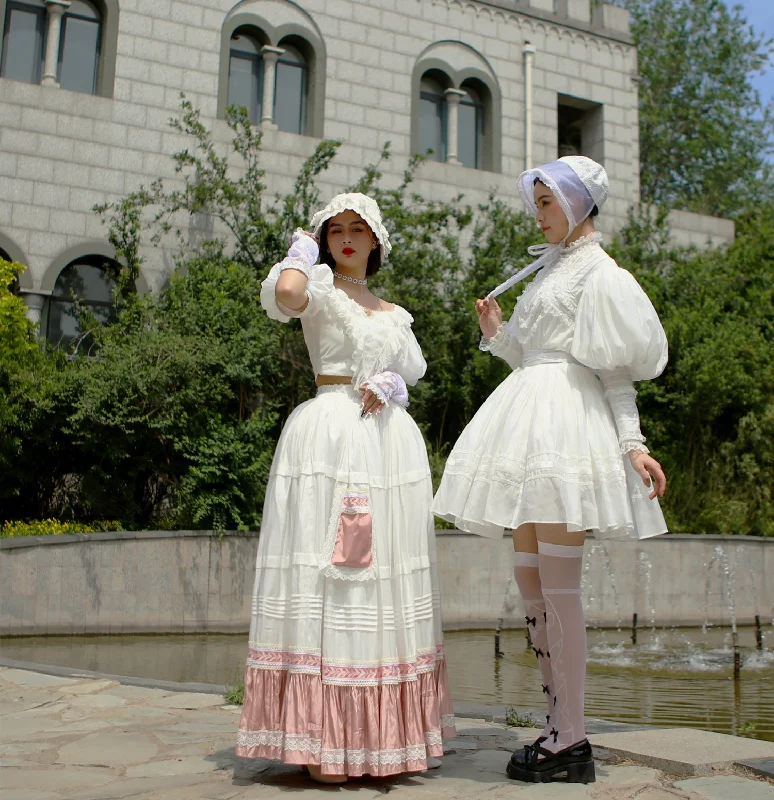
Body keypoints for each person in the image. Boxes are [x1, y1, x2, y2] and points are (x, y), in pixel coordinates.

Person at [432, 157, 668, 785]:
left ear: (577, 203)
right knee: (532, 585)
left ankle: (574, 736)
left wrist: (633, 444)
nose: (536, 214)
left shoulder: (600, 273)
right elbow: (533, 359)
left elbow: (613, 370)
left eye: (545, 203)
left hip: (566, 430)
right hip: (530, 419)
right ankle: (556, 724)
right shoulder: (551, 269)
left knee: (560, 591)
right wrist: (497, 333)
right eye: (535, 203)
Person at [236, 193, 455, 783]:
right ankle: (322, 741)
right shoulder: (320, 290)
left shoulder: (396, 315)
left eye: (359, 230)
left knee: (380, 581)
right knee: (331, 575)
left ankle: (378, 739)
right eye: (337, 231)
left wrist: (388, 383)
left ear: (377, 240)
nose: (348, 239)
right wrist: (301, 253)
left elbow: (411, 371)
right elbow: (285, 297)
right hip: (330, 435)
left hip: (388, 450)